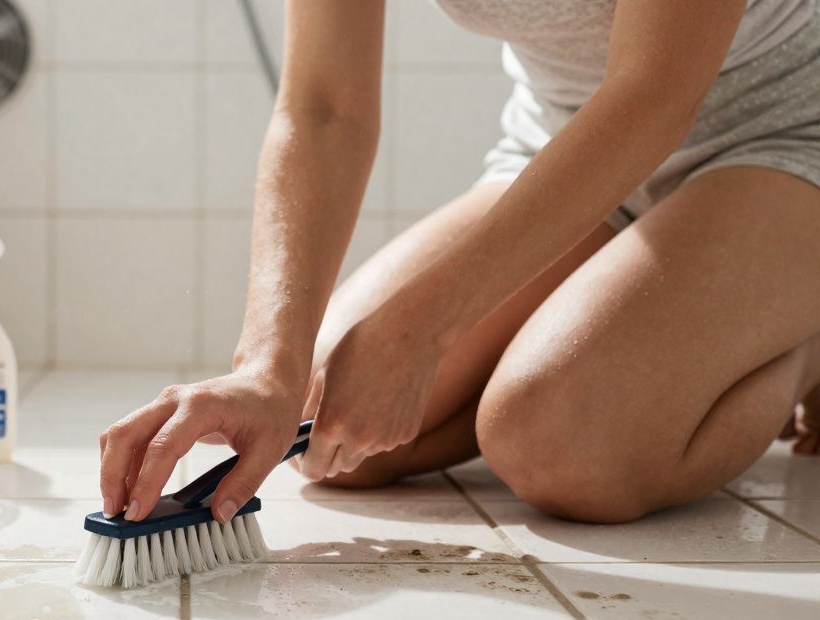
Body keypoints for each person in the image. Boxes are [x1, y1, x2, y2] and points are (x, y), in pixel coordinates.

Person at [99, 0, 820, 525]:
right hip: (566, 145)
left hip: (782, 131)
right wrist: (267, 368)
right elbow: (324, 108)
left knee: (561, 444)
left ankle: (804, 347)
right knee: (328, 428)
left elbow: (655, 93)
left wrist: (422, 329)